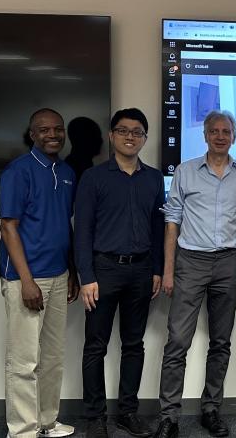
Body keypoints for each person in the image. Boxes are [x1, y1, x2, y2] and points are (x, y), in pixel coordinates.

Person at [153, 110, 236, 438]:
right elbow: (172, 222)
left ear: (234, 137)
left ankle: (211, 409)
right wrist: (168, 270)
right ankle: (169, 415)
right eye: (215, 131)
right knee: (177, 342)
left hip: (229, 262)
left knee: (221, 341)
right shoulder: (185, 172)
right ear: (206, 135)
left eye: (227, 131)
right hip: (190, 261)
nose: (221, 136)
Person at [75, 108, 165, 438]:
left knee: (133, 344)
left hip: (141, 270)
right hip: (103, 270)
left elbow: (158, 227)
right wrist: (86, 276)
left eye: (137, 131)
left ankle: (128, 411)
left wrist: (156, 269)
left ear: (145, 137)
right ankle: (95, 416)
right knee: (95, 346)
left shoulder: (154, 178)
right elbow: (82, 230)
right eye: (123, 130)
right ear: (112, 135)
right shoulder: (94, 177)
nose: (130, 136)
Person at [0, 108, 80, 438]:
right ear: (32, 134)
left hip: (59, 275)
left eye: (58, 129)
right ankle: (22, 430)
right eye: (44, 130)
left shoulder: (67, 171)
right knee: (24, 361)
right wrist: (26, 280)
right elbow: (8, 227)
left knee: (53, 357)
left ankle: (47, 421)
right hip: (26, 278)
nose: (53, 134)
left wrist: (72, 270)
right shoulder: (18, 172)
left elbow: (65, 225)